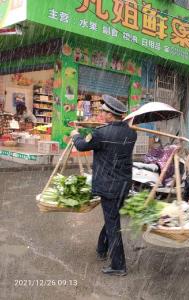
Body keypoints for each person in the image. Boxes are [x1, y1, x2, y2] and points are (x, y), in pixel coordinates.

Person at [71, 95, 137, 276]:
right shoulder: (131, 133)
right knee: (112, 219)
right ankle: (102, 248)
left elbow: (83, 146)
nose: (101, 113)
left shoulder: (102, 133)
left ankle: (118, 265)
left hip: (109, 186)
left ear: (111, 114)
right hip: (123, 185)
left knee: (113, 224)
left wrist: (75, 135)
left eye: (103, 111)